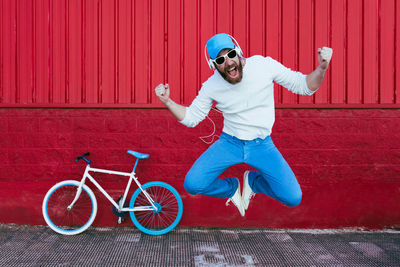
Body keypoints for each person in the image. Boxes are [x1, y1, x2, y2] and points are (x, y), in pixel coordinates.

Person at [155, 33, 333, 216]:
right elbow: (191, 117)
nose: (229, 62)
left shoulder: (263, 65)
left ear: (238, 52)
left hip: (262, 145)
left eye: (231, 54)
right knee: (193, 184)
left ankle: (253, 182)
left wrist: (322, 68)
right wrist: (168, 102)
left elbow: (303, 86)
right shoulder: (211, 85)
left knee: (293, 197)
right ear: (214, 65)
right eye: (220, 59)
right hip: (229, 143)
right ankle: (231, 188)